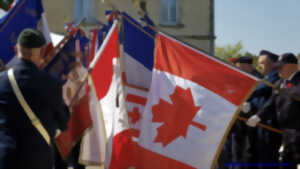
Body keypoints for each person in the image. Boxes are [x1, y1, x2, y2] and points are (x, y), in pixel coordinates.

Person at [0, 28, 70, 169]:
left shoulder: (1, 81)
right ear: (42, 52)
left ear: (16, 49)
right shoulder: (52, 83)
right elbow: (63, 122)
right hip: (38, 160)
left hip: (6, 159)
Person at [247, 53, 300, 169]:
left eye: (281, 66)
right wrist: (258, 116)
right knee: (287, 163)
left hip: (298, 132)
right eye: (277, 67)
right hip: (286, 134)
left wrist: (288, 90)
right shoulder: (280, 83)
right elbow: (270, 103)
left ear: (293, 66)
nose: (278, 70)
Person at [230, 56, 263, 169]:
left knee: (249, 152)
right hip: (237, 123)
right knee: (236, 152)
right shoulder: (239, 78)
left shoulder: (260, 80)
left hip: (252, 123)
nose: (235, 69)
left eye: (238, 67)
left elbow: (261, 101)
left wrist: (251, 106)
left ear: (247, 66)